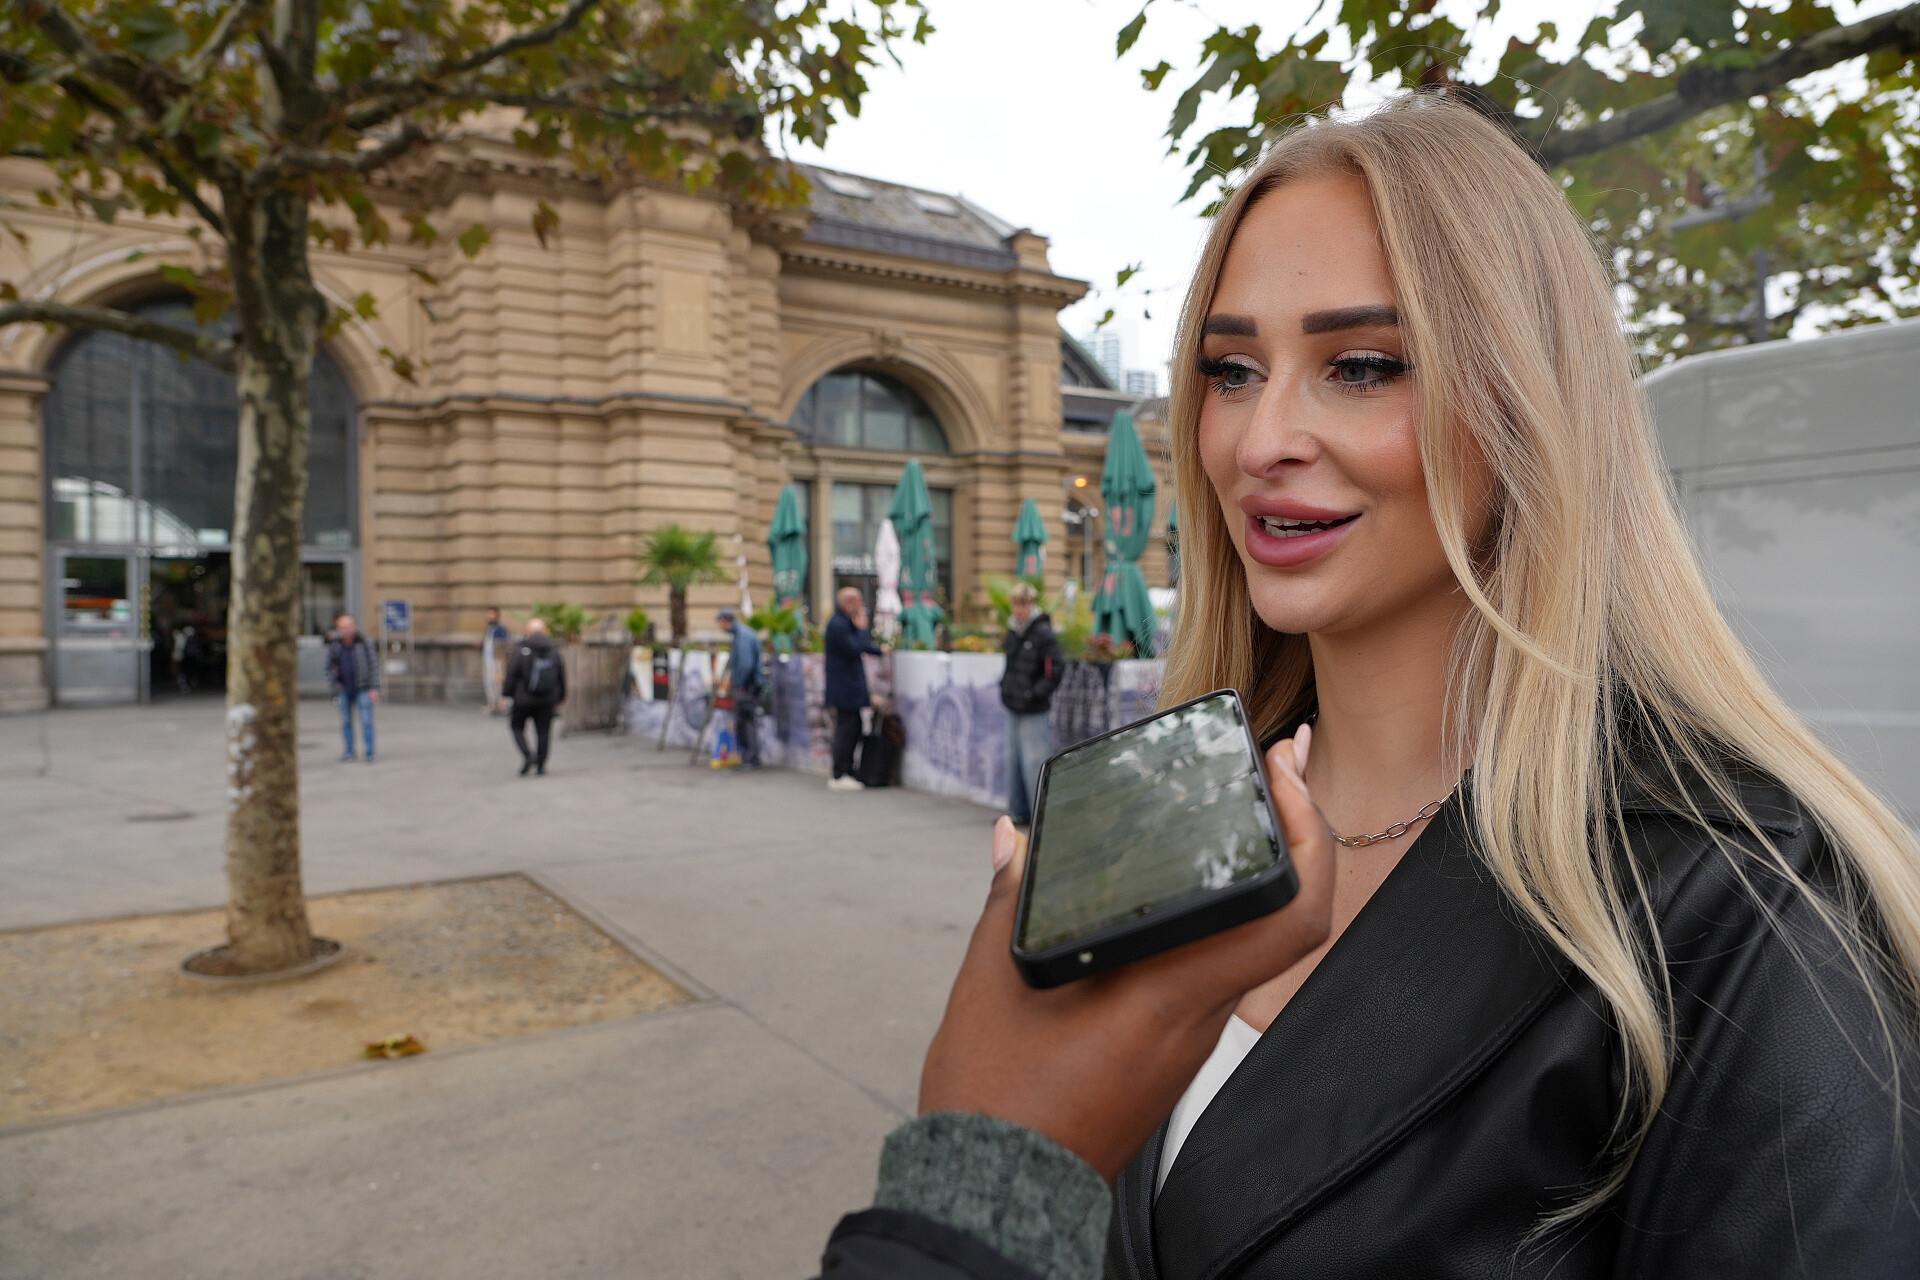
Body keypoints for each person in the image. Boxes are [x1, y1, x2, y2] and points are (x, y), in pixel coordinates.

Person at [1068, 92, 1920, 1277]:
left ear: (1525, 400)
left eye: (1359, 365)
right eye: (1230, 368)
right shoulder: (1166, 812)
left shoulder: (1732, 903)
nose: (1262, 437)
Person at [998, 581, 1062, 827]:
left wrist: (1034, 693)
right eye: (1015, 604)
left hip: (1033, 709)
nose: (1018, 610)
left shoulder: (1043, 632)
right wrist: (1005, 688)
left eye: (1023, 604)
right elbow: (1010, 667)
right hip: (1014, 706)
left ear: (1032, 605)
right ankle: (1018, 812)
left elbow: (1055, 670)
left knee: (1034, 763)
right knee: (1014, 763)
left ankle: (1040, 818)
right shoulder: (1014, 632)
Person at [823, 586, 884, 792]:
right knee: (846, 729)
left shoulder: (842, 623)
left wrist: (879, 650)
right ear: (848, 602)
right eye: (858, 602)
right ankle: (839, 773)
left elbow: (861, 646)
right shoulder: (839, 625)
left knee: (854, 727)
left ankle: (846, 770)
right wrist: (861, 628)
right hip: (844, 690)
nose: (861, 607)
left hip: (847, 689)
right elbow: (855, 646)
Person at [502, 617, 566, 776]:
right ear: (545, 631)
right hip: (547, 699)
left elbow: (511, 675)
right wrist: (561, 696)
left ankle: (528, 755)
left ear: (528, 631)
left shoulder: (522, 649)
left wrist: (506, 695)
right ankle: (541, 765)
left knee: (516, 727)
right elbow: (561, 675)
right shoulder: (553, 650)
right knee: (543, 731)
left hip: (523, 698)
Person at [324, 613, 379, 763]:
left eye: (348, 626)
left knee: (366, 721)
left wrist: (374, 688)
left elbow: (374, 666)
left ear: (355, 627)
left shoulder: (364, 643)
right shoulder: (335, 645)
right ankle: (349, 751)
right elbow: (328, 666)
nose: (346, 630)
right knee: (346, 722)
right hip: (343, 689)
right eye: (342, 627)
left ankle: (369, 752)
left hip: (364, 688)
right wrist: (334, 685)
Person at [716, 606, 762, 769]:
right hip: (750, 684)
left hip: (747, 685)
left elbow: (746, 664)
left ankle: (750, 758)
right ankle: (750, 757)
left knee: (745, 722)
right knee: (746, 721)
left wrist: (741, 684)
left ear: (724, 621)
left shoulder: (742, 636)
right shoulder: (743, 633)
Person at [479, 606, 510, 715]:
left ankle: (499, 704)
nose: (489, 616)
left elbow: (504, 645)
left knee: (497, 683)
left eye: (492, 614)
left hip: (496, 660)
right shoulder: (489, 628)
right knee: (489, 682)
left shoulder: (501, 629)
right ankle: (492, 703)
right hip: (488, 659)